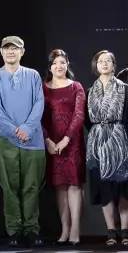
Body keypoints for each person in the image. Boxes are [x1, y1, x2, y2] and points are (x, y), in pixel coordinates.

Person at [0, 36, 45, 247]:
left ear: (22, 52)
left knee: (31, 186)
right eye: (7, 48)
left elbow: (39, 103)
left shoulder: (33, 75)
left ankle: (31, 229)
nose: (11, 52)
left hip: (32, 140)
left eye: (15, 48)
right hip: (5, 139)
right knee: (9, 188)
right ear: (1, 52)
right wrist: (14, 130)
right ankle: (14, 230)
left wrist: (27, 128)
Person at [41, 49, 85, 246]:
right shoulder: (43, 88)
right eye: (55, 63)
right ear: (50, 67)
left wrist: (66, 139)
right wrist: (47, 140)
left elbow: (79, 115)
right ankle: (65, 229)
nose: (59, 66)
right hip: (52, 143)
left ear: (67, 64)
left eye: (62, 62)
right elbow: (38, 117)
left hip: (72, 143)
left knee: (74, 186)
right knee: (59, 187)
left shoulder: (76, 87)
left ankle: (75, 229)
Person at [86, 50, 128, 247]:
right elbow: (87, 121)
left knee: (123, 188)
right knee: (104, 189)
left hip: (120, 141)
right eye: (100, 61)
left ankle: (125, 231)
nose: (104, 64)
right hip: (97, 144)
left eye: (108, 61)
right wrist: (101, 135)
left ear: (113, 65)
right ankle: (111, 231)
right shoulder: (90, 91)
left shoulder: (124, 89)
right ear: (96, 66)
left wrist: (116, 135)